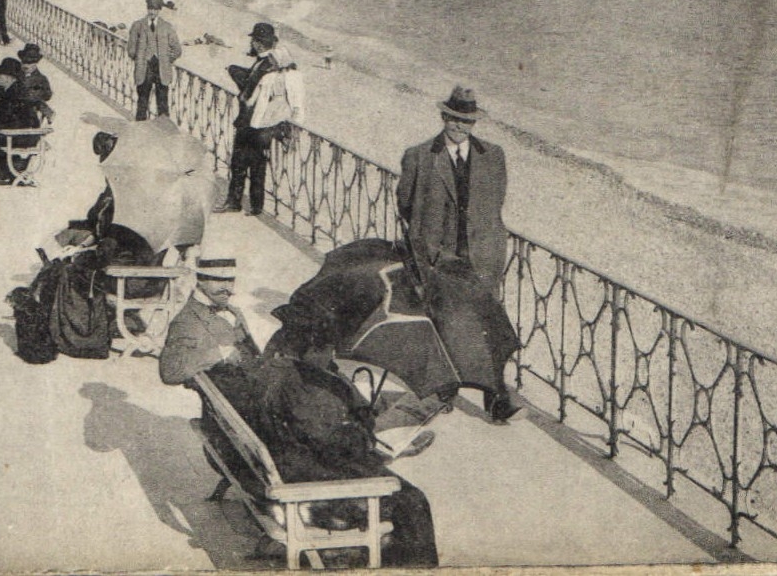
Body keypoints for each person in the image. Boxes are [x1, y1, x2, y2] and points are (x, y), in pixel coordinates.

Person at [210, 318, 438, 567]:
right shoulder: (303, 388)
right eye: (327, 349)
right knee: (412, 500)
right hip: (308, 483)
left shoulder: (274, 371)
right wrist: (378, 443)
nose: (332, 356)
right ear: (309, 350)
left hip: (287, 464)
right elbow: (332, 443)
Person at [396, 86, 521, 423]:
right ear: (443, 117)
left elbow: (495, 203)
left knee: (488, 327)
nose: (460, 127)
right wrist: (430, 246)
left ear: (474, 123)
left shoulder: (493, 156)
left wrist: (490, 245)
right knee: (444, 325)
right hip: (441, 259)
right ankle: (444, 392)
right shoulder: (420, 156)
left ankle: (496, 400)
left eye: (467, 121)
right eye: (454, 119)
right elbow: (405, 205)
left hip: (482, 259)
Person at [222, 23, 304, 216]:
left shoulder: (265, 65)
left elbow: (251, 90)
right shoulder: (269, 62)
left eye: (254, 40)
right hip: (262, 123)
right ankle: (256, 206)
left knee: (241, 162)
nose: (252, 43)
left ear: (258, 44)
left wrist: (234, 72)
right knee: (257, 164)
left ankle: (236, 202)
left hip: (253, 122)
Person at [159, 257, 260, 386]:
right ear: (200, 280)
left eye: (230, 280)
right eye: (218, 280)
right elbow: (170, 371)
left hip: (254, 383)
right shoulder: (187, 320)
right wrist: (221, 353)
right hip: (232, 393)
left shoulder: (234, 311)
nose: (226, 287)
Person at [127, 0, 183, 121]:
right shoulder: (138, 25)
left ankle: (164, 131)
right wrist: (140, 58)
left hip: (162, 70)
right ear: (147, 8)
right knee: (142, 101)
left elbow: (177, 49)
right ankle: (140, 129)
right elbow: (131, 48)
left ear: (160, 10)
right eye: (150, 8)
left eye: (155, 9)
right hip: (144, 68)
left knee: (163, 103)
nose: (152, 12)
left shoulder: (167, 27)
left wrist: (167, 59)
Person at [15, 43, 54, 123]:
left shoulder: (41, 78)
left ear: (35, 64)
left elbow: (47, 95)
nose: (26, 66)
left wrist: (37, 94)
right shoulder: (16, 75)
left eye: (30, 63)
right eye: (24, 62)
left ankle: (47, 112)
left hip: (31, 111)